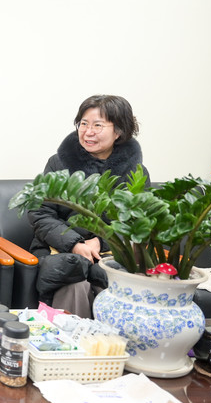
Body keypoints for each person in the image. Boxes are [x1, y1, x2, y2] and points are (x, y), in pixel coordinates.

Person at [27, 94, 149, 317]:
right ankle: (71, 338)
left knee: (116, 288)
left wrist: (100, 241)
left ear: (119, 131)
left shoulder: (135, 172)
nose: (88, 132)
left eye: (97, 125)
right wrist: (75, 243)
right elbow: (40, 213)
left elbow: (139, 223)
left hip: (112, 254)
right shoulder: (59, 163)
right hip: (61, 251)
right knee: (75, 286)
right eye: (83, 124)